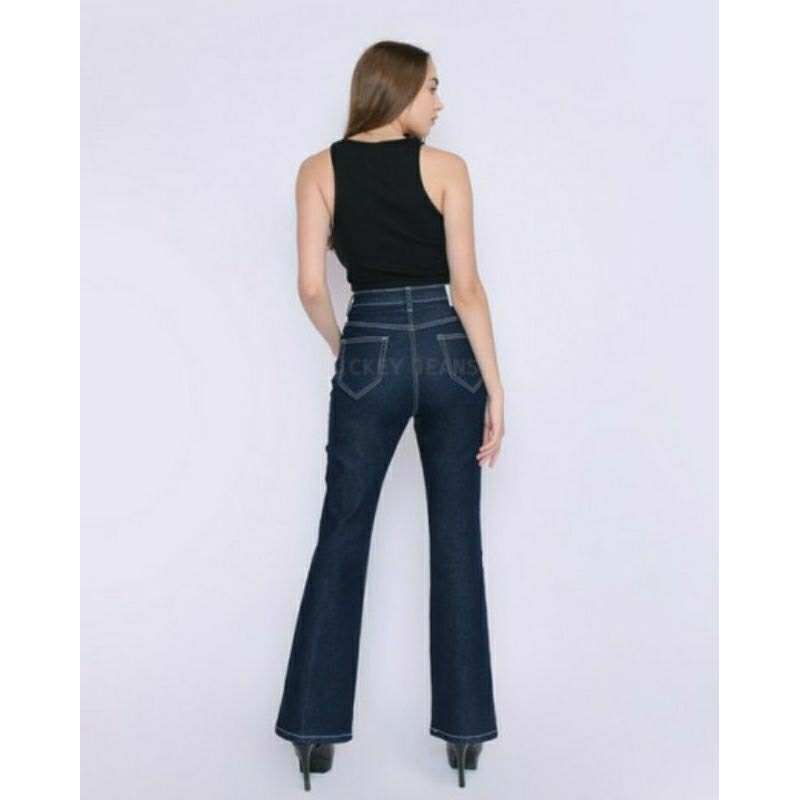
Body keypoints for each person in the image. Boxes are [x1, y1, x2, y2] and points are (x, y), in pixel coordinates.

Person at [274, 40, 504, 790]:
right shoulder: (447, 169)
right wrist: (495, 387)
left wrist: (349, 349)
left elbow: (313, 286)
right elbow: (466, 289)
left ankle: (313, 735)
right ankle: (464, 737)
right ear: (398, 90)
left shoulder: (317, 169)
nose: (440, 102)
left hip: (368, 341)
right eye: (431, 87)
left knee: (342, 532)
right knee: (457, 538)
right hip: (447, 351)